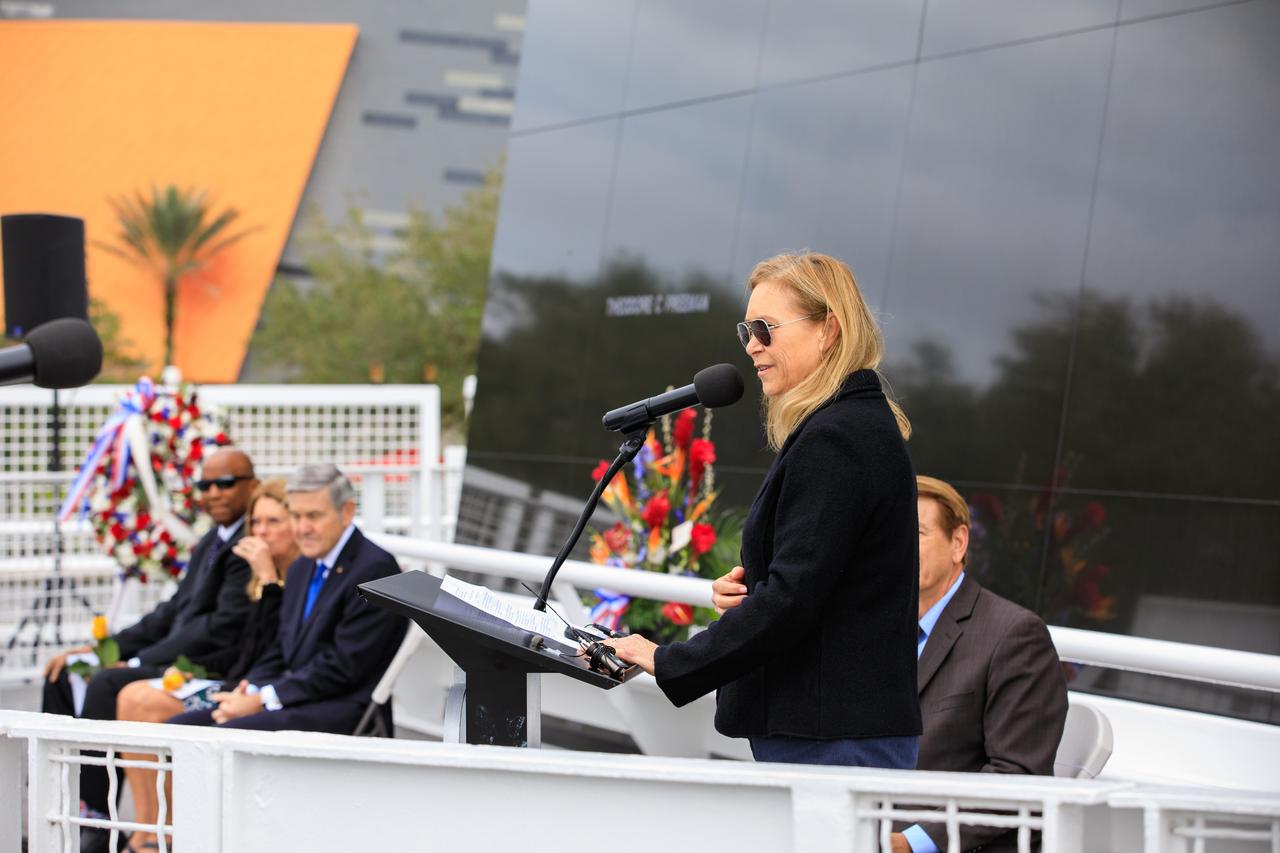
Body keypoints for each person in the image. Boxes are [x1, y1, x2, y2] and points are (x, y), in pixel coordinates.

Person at [606, 251, 922, 768]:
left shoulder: (838, 438)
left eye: (765, 328)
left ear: (829, 330)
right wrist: (754, 591)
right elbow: (820, 583)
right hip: (831, 731)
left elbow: (794, 599)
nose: (752, 344)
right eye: (745, 330)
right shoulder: (849, 427)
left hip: (832, 739)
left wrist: (668, 659)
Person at [41, 447, 257, 847]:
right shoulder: (212, 539)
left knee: (108, 683)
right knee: (63, 673)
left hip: (207, 666)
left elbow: (217, 630)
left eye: (225, 483)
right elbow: (171, 612)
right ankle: (67, 805)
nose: (214, 493)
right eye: (205, 485)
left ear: (252, 485)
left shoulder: (249, 546)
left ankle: (97, 820)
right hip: (174, 654)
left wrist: (136, 661)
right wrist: (100, 648)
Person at [115, 477, 299, 853]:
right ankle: (147, 831)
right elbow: (240, 648)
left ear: (295, 524)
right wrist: (193, 671)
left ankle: (165, 834)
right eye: (256, 523)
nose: (261, 532)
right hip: (233, 678)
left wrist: (267, 578)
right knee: (130, 697)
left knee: (146, 704)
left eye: (273, 522)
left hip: (264, 691)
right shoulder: (254, 573)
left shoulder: (296, 574)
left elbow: (274, 649)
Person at [891, 475, 1069, 853]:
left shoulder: (1016, 636)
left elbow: (1019, 775)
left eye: (916, 532)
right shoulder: (880, 630)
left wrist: (911, 844)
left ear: (958, 543)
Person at [168, 462, 406, 733]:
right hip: (297, 697)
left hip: (342, 709)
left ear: (347, 512)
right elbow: (281, 648)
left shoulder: (375, 569)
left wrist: (264, 699)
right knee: (178, 729)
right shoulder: (303, 565)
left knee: (219, 736)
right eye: (296, 516)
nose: (302, 528)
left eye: (314, 516)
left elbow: (343, 667)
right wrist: (250, 689)